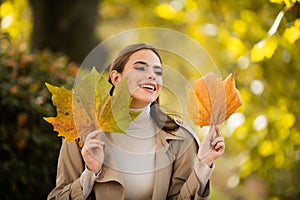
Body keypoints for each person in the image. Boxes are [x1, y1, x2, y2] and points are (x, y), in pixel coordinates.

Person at [47, 43, 225, 200]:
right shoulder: (83, 131)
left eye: (158, 72)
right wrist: (90, 174)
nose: (152, 76)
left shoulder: (180, 138)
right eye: (141, 68)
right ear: (116, 78)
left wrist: (202, 164)